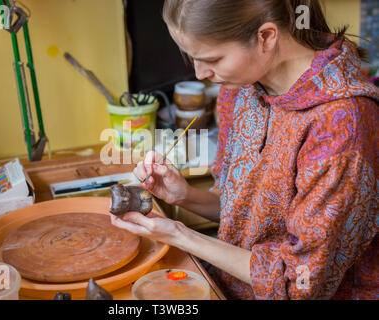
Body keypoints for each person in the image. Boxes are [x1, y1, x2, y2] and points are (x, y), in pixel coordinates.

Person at [110, 0, 378, 299]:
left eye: (212, 58)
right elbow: (244, 215)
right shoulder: (242, 89)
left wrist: (179, 234)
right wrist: (184, 196)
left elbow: (300, 283)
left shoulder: (341, 123)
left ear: (266, 36)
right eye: (192, 57)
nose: (200, 74)